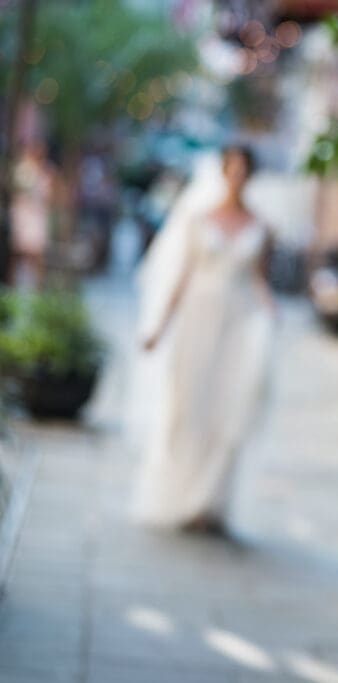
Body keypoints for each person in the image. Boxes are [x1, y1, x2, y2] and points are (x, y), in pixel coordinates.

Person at [130, 145, 275, 534]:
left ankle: (210, 503)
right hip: (198, 318)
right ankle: (178, 494)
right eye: (233, 168)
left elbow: (259, 278)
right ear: (224, 171)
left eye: (244, 169)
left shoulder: (261, 225)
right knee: (188, 404)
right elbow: (180, 277)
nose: (238, 176)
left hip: (239, 322)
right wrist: (158, 328)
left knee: (228, 407)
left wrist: (269, 314)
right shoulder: (197, 219)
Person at [9, 140, 56, 288]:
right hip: (24, 216)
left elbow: (51, 196)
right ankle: (13, 286)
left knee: (37, 255)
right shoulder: (23, 169)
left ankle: (37, 287)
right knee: (19, 253)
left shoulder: (46, 171)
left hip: (37, 217)